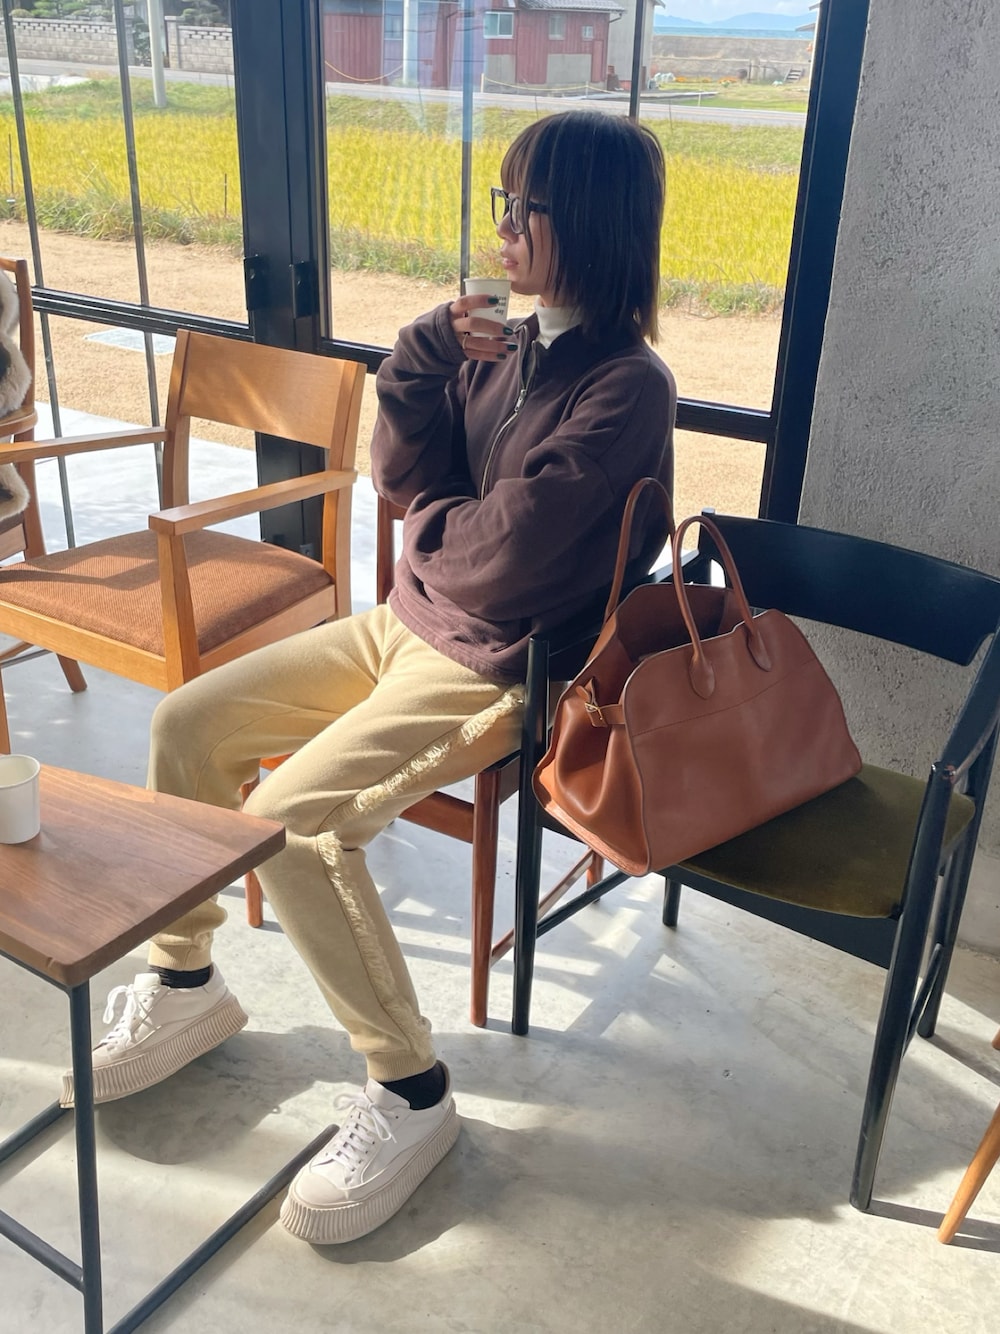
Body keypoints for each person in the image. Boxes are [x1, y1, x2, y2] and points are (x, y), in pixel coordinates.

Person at [62, 110, 677, 1245]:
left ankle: (411, 1090)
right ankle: (187, 981)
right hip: (404, 624)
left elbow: (511, 557)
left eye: (525, 205)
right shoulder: (506, 343)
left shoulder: (628, 387)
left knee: (294, 820)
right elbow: (400, 472)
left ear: (588, 223)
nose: (502, 225)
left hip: (502, 667)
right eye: (499, 199)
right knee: (189, 724)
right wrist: (428, 352)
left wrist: (433, 526)